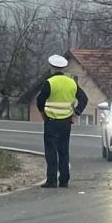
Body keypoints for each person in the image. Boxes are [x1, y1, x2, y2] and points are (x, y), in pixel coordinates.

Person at [36, 54, 88, 188]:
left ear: (52, 68)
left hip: (51, 120)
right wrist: (76, 113)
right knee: (64, 150)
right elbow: (84, 99)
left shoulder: (49, 82)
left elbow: (40, 100)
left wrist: (42, 113)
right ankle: (64, 180)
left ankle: (52, 180)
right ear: (64, 68)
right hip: (66, 121)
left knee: (51, 151)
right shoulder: (72, 82)